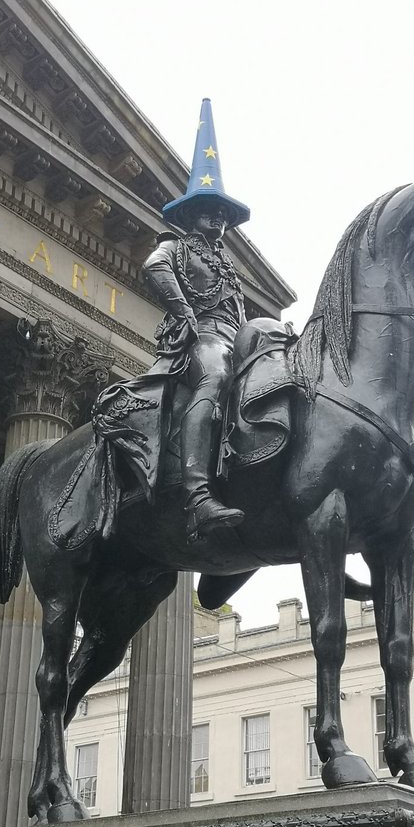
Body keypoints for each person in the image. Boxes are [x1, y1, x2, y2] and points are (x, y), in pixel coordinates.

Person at [140, 98, 252, 541]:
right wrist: (185, 313)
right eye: (210, 209)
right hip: (200, 339)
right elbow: (153, 267)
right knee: (215, 376)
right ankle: (197, 494)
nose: (219, 218)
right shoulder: (177, 247)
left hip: (234, 340)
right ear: (189, 214)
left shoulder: (229, 267)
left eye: (224, 213)